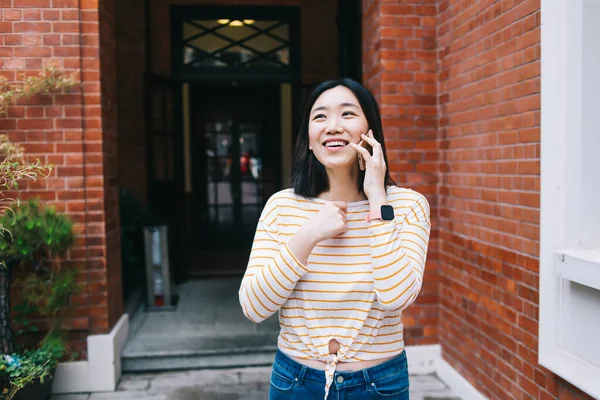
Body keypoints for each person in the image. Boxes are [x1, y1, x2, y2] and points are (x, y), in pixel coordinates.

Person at [238, 78, 431, 399]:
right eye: (320, 117)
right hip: (295, 383)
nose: (333, 126)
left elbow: (396, 297)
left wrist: (376, 198)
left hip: (379, 385)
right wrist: (309, 234)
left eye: (348, 114)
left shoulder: (407, 206)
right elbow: (254, 307)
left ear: (370, 132)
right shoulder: (282, 206)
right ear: (310, 141)